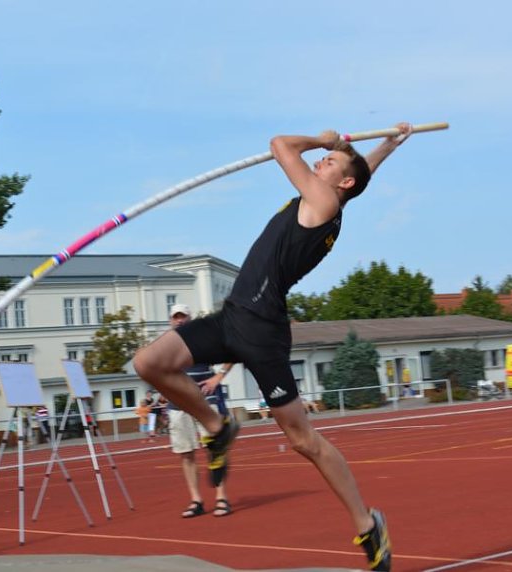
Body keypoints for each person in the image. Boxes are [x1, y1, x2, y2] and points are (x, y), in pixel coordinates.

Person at [133, 124, 414, 571]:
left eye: (328, 163)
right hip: (233, 318)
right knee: (149, 363)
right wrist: (386, 147)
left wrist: (322, 141)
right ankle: (216, 425)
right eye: (324, 158)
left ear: (341, 183)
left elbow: (281, 146)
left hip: (262, 330)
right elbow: (360, 175)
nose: (321, 162)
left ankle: (367, 523)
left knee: (303, 440)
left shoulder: (322, 202)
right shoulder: (333, 197)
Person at [165, 304, 234, 518]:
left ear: (190, 318)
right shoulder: (165, 344)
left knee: (214, 449)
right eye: (176, 317)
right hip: (178, 405)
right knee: (186, 453)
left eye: (183, 316)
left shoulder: (203, 339)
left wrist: (219, 376)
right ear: (171, 320)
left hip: (205, 401)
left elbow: (232, 351)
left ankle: (221, 497)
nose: (179, 320)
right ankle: (196, 500)